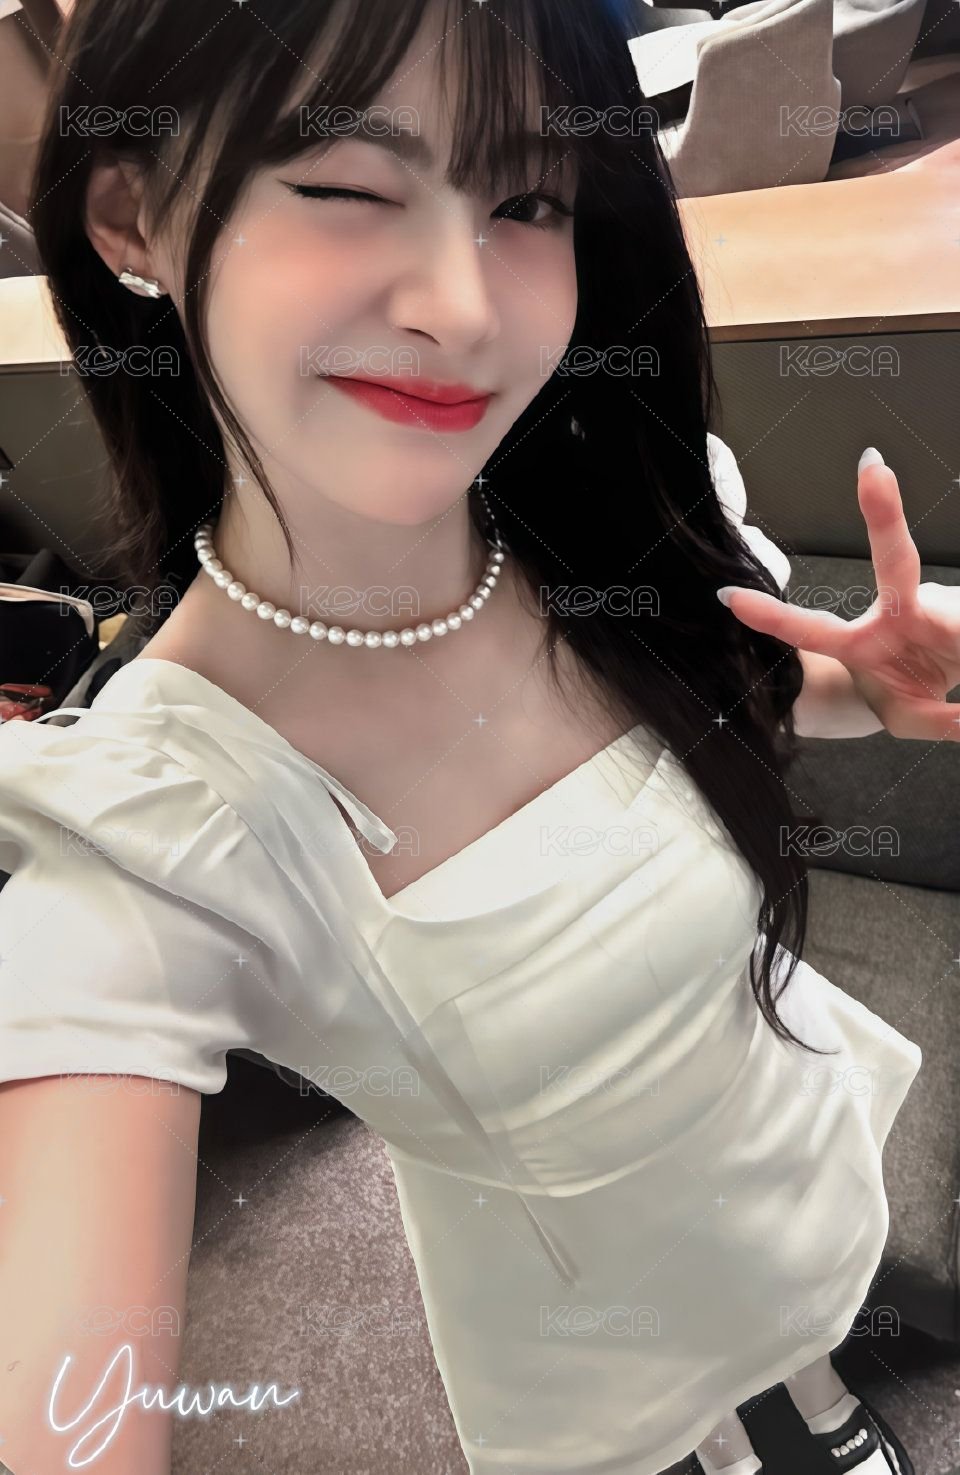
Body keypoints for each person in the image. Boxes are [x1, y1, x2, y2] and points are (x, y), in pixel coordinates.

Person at [0, 0, 954, 1470]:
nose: (462, 307)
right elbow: (66, 1390)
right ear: (133, 218)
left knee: (800, 1316)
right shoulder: (153, 830)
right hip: (591, 1282)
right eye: (345, 184)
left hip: (767, 1120)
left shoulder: (606, 519)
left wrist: (861, 692)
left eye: (527, 203)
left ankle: (820, 1414)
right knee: (689, 1391)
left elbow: (720, 705)